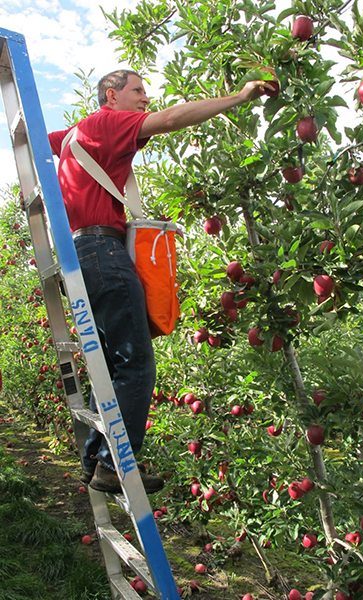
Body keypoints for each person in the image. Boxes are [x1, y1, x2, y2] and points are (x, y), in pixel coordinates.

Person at [45, 69, 274, 494]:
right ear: (110, 96)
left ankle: (96, 460)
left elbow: (39, 143)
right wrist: (238, 97)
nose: (145, 100)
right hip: (103, 251)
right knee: (136, 362)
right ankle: (116, 464)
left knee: (113, 364)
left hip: (77, 257)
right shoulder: (107, 122)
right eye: (138, 92)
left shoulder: (75, 134)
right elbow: (171, 119)